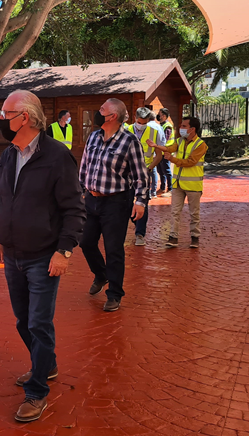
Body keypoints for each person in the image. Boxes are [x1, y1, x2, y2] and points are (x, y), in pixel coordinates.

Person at [0, 91, 85, 423]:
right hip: (13, 253)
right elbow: (5, 201)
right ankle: (47, 364)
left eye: (6, 113)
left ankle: (36, 391)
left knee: (38, 323)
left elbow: (75, 209)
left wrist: (64, 251)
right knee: (22, 320)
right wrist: (2, 240)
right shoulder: (8, 155)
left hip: (44, 256)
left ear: (27, 117)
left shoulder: (57, 156)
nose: (1, 120)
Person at [79, 98, 149, 312]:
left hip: (116, 202)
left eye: (102, 110)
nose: (98, 112)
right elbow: (84, 166)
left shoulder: (129, 141)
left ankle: (115, 293)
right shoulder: (93, 137)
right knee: (86, 242)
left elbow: (141, 176)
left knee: (113, 249)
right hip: (91, 199)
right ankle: (101, 275)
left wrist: (140, 202)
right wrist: (80, 191)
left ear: (113, 116)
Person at [148, 116, 208, 248]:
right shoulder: (180, 141)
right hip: (178, 184)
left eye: (184, 126)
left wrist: (172, 160)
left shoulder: (200, 145)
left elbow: (191, 162)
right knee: (175, 211)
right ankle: (173, 237)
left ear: (192, 129)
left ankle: (195, 237)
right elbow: (169, 148)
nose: (181, 128)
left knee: (194, 213)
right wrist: (156, 146)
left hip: (193, 185)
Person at [123, 107, 163, 246]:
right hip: (127, 175)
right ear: (135, 118)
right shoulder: (125, 130)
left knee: (142, 203)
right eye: (140, 122)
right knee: (126, 204)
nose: (142, 125)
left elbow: (158, 155)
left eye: (144, 122)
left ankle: (140, 234)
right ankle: (133, 222)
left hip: (145, 174)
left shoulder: (154, 132)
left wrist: (150, 168)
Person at [155, 108, 175, 196]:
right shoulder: (161, 125)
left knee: (167, 171)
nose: (158, 116)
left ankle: (170, 189)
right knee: (160, 171)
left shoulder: (167, 126)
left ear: (164, 116)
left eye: (160, 114)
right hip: (160, 152)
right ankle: (162, 187)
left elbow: (164, 140)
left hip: (166, 152)